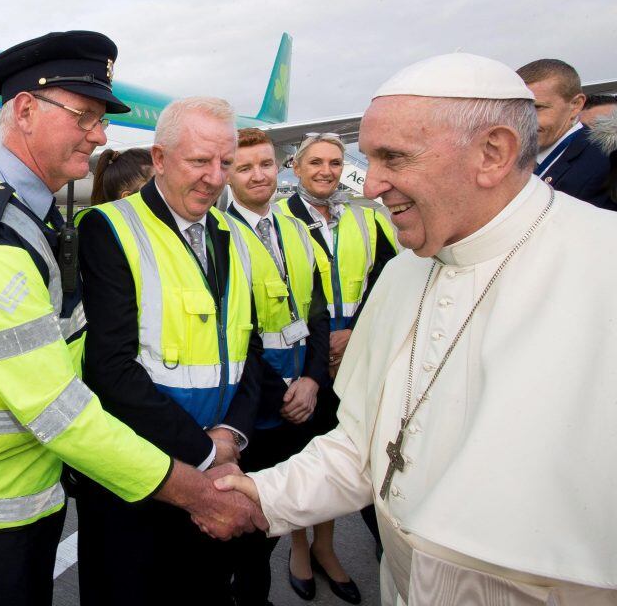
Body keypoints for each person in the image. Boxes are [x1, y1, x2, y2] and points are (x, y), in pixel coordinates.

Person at [211, 52, 617, 606]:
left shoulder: (603, 265)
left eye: (392, 158)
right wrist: (261, 492)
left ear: (492, 153)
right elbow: (360, 444)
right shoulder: (405, 271)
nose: (371, 184)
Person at [0, 33, 264, 606]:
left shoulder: (31, 216)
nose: (100, 136)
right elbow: (58, 408)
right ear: (25, 111)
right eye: (86, 116)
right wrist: (197, 491)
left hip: (24, 497)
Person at [73, 97, 264, 606]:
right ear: (159, 158)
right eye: (199, 161)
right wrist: (207, 453)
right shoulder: (108, 228)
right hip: (144, 477)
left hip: (220, 466)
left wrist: (232, 435)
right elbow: (109, 368)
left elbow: (250, 346)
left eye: (225, 163)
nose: (215, 177)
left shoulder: (233, 233)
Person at [274, 132, 397, 603]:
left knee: (343, 454)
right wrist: (323, 342)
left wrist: (358, 333)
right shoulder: (278, 220)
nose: (326, 170)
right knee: (303, 456)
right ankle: (299, 548)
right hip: (307, 356)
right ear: (296, 168)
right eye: (315, 162)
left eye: (334, 161)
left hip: (356, 354)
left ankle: (327, 547)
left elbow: (390, 281)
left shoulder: (368, 220)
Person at [226, 128, 330, 606]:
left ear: (280, 166)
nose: (258, 175)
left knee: (277, 519)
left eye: (265, 164)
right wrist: (284, 394)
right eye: (244, 167)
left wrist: (312, 380)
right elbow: (235, 337)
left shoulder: (295, 228)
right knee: (244, 527)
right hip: (257, 410)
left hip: (301, 397)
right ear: (226, 172)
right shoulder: (218, 233)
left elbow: (316, 310)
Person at [517, 59, 613, 210]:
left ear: (575, 105)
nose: (523, 121)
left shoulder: (606, 163)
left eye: (537, 107)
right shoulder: (503, 158)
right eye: (516, 110)